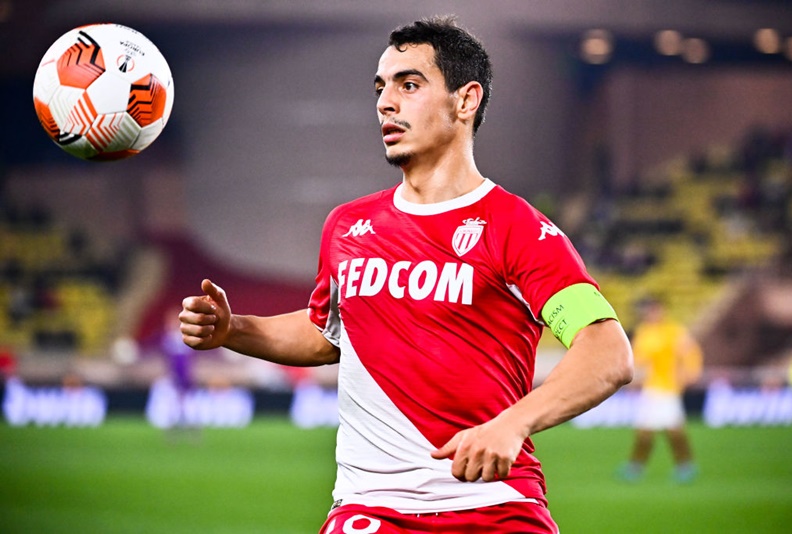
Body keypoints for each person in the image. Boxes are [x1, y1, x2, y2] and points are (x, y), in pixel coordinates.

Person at [180, 16, 633, 533]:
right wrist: (233, 329)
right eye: (381, 88)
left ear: (466, 101)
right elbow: (328, 334)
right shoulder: (347, 226)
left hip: (495, 505)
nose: (385, 103)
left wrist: (513, 423)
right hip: (368, 508)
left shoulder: (518, 228)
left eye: (409, 85)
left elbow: (608, 352)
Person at [617, 296, 703, 484]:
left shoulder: (673, 331)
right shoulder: (644, 331)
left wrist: (691, 373)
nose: (652, 314)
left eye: (655, 310)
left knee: (673, 431)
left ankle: (685, 465)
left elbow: (691, 352)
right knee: (645, 430)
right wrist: (632, 378)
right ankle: (636, 466)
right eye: (649, 311)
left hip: (668, 388)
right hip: (651, 388)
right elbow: (638, 359)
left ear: (662, 311)